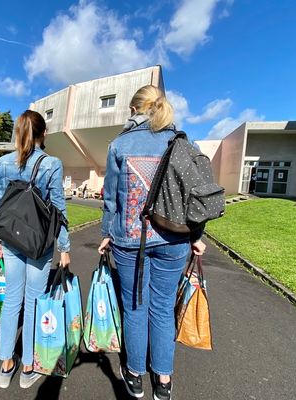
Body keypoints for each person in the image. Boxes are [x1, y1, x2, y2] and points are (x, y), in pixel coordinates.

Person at [97, 85, 206, 400]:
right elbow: (194, 199)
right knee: (162, 308)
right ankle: (164, 379)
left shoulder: (120, 144)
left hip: (131, 240)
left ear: (133, 111)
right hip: (174, 239)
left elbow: (111, 201)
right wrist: (197, 237)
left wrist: (107, 233)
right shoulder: (185, 143)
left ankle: (134, 374)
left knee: (135, 307)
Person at [0, 110, 70, 389]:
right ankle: (27, 366)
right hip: (39, 242)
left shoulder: (2, 163)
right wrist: (64, 247)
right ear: (43, 133)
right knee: (34, 301)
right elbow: (58, 208)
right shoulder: (51, 163)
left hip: (11, 238)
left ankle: (5, 364)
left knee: (13, 299)